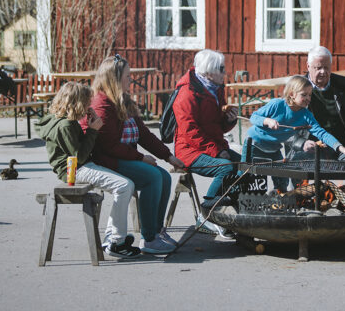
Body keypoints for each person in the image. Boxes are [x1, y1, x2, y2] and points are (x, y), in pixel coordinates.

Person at [81, 55, 186, 255]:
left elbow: (144, 134)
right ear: (114, 78)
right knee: (152, 177)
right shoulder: (101, 105)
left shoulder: (123, 101)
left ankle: (156, 231)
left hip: (122, 157)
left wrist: (168, 156)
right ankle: (149, 239)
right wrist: (140, 158)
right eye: (127, 76)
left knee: (163, 176)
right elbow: (109, 146)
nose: (131, 80)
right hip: (106, 160)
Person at [36, 82, 140, 258]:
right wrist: (92, 131)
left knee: (124, 185)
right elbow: (79, 156)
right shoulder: (66, 126)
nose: (88, 107)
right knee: (124, 186)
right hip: (75, 170)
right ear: (77, 103)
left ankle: (115, 237)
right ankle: (115, 241)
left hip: (77, 167)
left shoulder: (58, 120)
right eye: (86, 103)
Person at [246, 75, 345, 193]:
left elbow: (322, 133)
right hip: (254, 144)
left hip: (274, 148)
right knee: (248, 177)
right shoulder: (277, 104)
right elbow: (254, 117)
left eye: (310, 95)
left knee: (282, 181)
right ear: (292, 94)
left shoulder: (305, 115)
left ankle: (280, 204)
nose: (308, 98)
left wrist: (342, 148)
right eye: (304, 95)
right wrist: (266, 121)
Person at [172, 49, 239, 237]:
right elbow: (190, 132)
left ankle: (228, 212)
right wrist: (217, 151)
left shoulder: (215, 88)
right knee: (225, 167)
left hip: (211, 146)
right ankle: (205, 215)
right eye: (221, 69)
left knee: (244, 166)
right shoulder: (187, 93)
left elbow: (218, 126)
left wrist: (229, 120)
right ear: (209, 71)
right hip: (188, 150)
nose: (225, 72)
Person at [290, 46, 345, 192]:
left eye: (327, 67)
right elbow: (284, 121)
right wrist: (301, 142)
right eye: (318, 67)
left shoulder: (343, 85)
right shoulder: (297, 87)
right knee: (296, 162)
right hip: (313, 146)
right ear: (308, 66)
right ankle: (299, 201)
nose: (323, 72)